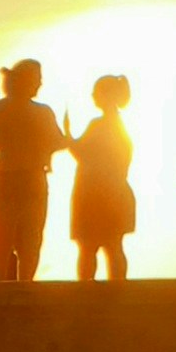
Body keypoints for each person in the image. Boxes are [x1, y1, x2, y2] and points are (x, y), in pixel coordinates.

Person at [0, 59, 70, 281]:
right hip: (30, 180)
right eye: (37, 79)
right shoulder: (43, 112)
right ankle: (24, 285)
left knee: (0, 242)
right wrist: (67, 137)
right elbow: (58, 142)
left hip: (6, 178)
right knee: (30, 241)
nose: (40, 84)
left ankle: (0, 287)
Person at [69, 74, 138, 282]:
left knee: (90, 248)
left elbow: (81, 153)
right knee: (113, 245)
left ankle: (86, 294)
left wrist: (67, 136)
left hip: (95, 194)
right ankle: (118, 291)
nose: (92, 97)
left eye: (95, 93)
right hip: (114, 192)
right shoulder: (118, 126)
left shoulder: (100, 125)